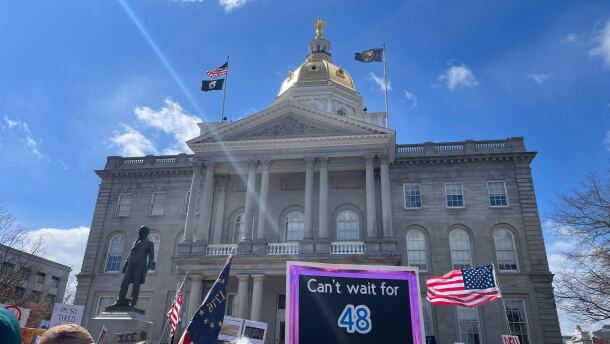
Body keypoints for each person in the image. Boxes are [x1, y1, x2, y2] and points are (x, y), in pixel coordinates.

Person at [109, 225, 155, 308]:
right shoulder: (135, 242)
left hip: (139, 267)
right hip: (130, 267)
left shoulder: (149, 243)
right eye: (139, 231)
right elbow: (130, 254)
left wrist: (147, 268)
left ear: (145, 233)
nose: (139, 232)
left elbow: (151, 257)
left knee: (136, 285)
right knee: (124, 284)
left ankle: (132, 302)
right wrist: (125, 265)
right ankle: (120, 301)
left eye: (141, 231)